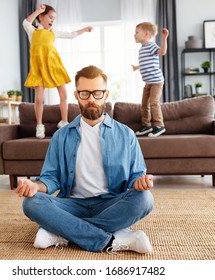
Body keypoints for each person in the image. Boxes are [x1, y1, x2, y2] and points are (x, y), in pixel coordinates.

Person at [16, 65, 154, 254]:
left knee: (145, 199)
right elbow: (51, 178)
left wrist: (140, 183)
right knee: (32, 203)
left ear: (106, 95)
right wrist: (35, 186)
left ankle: (62, 233)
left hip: (111, 203)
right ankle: (113, 239)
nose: (91, 99)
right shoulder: (61, 136)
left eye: (97, 93)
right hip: (71, 204)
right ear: (76, 95)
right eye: (85, 93)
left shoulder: (126, 135)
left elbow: (137, 175)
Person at [23, 4, 93, 139]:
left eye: (54, 19)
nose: (52, 21)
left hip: (54, 67)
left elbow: (71, 35)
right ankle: (39, 125)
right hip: (39, 69)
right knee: (38, 98)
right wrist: (38, 10)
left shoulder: (53, 33)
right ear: (41, 17)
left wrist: (85, 29)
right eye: (50, 17)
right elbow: (25, 22)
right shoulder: (32, 31)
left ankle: (64, 121)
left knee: (64, 95)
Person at [132, 22, 169, 137]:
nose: (134, 35)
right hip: (148, 82)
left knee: (153, 103)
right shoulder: (142, 49)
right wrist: (137, 67)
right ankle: (146, 126)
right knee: (144, 104)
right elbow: (145, 63)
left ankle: (159, 125)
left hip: (157, 81)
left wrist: (164, 39)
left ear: (146, 34)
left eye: (137, 32)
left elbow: (162, 52)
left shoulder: (151, 45)